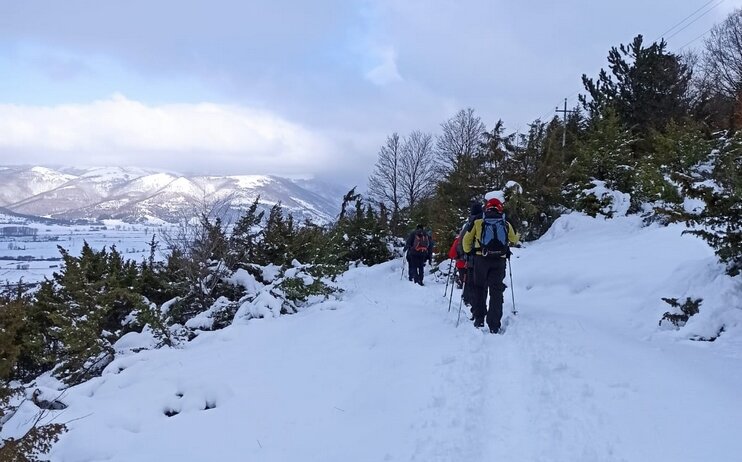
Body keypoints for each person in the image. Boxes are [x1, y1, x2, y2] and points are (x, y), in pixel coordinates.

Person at [462, 198, 519, 333]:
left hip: (481, 259)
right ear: (500, 208)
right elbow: (514, 239)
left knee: (479, 288)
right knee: (496, 291)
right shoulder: (505, 221)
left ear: (486, 207)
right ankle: (494, 325)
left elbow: (466, 240)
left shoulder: (478, 221)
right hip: (499, 260)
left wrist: (469, 252)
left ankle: (479, 318)